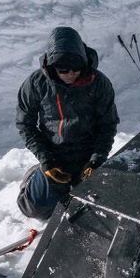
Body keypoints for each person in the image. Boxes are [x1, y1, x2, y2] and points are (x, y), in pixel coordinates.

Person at [15, 27, 119, 220]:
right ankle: (34, 175)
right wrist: (46, 160)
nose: (71, 74)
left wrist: (96, 159)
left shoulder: (99, 83)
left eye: (76, 68)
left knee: (102, 208)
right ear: (52, 66)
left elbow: (108, 124)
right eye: (63, 70)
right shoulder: (36, 84)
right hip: (55, 157)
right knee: (35, 210)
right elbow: (25, 124)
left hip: (88, 157)